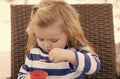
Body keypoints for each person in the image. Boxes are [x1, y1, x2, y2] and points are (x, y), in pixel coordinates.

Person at [17, 0, 100, 79]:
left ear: (69, 33)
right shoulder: (33, 54)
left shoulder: (75, 49)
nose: (46, 45)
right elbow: (22, 74)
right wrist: (27, 77)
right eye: (41, 39)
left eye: (54, 40)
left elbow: (95, 67)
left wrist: (70, 56)